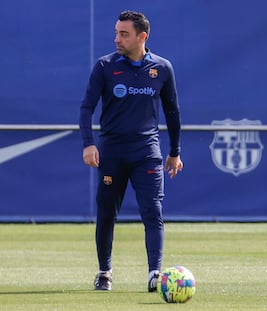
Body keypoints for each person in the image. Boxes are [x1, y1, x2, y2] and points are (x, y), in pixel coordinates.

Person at [79, 10, 183, 292]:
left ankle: (154, 275)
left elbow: (172, 112)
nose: (117, 39)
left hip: (147, 152)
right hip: (111, 152)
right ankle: (104, 272)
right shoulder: (105, 66)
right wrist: (89, 143)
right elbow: (86, 107)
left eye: (124, 34)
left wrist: (174, 151)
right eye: (116, 32)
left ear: (142, 37)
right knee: (106, 214)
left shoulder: (162, 68)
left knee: (153, 212)